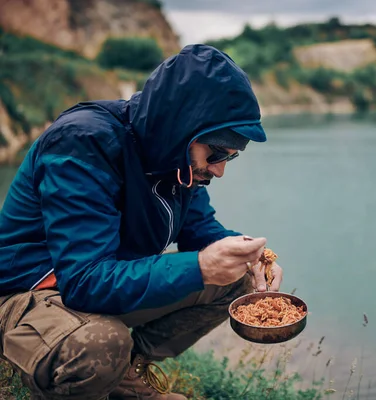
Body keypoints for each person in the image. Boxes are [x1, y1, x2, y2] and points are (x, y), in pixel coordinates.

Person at [0, 44, 283, 400]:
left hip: (96, 284)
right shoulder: (82, 143)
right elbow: (85, 281)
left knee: (236, 274)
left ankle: (125, 371)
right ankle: (89, 368)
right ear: (181, 128)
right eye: (215, 153)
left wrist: (248, 254)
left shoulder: (177, 162)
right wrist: (199, 267)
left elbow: (202, 231)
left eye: (231, 157)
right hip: (27, 292)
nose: (220, 170)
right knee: (101, 343)